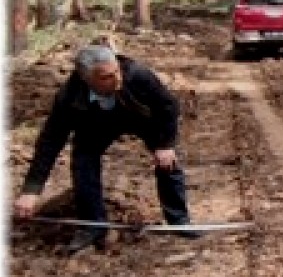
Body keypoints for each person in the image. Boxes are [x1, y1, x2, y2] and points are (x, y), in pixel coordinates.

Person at [12, 44, 198, 253]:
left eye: (117, 71)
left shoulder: (138, 75)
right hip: (95, 123)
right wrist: (31, 190)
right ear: (86, 79)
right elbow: (50, 141)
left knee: (168, 162)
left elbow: (168, 106)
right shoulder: (69, 96)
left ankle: (179, 220)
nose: (117, 78)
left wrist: (165, 145)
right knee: (83, 161)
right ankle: (93, 226)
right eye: (106, 77)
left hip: (140, 117)